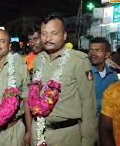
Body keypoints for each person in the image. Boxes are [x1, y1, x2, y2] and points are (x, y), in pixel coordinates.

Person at [31, 13, 97, 146]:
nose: (48, 38)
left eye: (54, 33)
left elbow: (88, 104)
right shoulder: (39, 59)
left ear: (64, 35)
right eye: (44, 34)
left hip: (66, 135)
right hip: (38, 132)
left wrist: (88, 140)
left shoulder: (78, 60)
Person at [88, 37, 118, 116]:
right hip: (89, 123)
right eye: (91, 50)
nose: (93, 54)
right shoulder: (83, 73)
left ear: (107, 54)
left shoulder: (113, 75)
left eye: (98, 50)